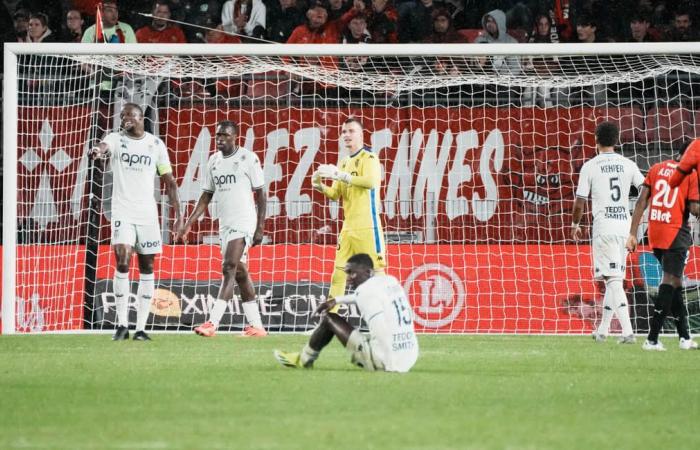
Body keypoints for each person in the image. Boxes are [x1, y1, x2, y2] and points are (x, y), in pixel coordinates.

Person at [90, 103, 183, 341]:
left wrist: (179, 215)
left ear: (141, 118)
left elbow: (169, 181)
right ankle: (121, 324)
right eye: (122, 117)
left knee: (147, 267)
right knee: (122, 259)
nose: (125, 120)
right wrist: (97, 152)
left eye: (129, 116)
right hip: (123, 211)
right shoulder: (115, 138)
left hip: (147, 214)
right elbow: (103, 147)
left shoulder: (155, 144)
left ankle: (141, 328)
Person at [176, 121, 268, 338]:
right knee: (240, 273)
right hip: (225, 224)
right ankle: (257, 326)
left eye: (225, 135)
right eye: (218, 135)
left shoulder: (248, 158)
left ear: (235, 137)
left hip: (244, 221)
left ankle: (212, 322)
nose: (220, 139)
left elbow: (261, 193)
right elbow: (206, 195)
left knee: (228, 267)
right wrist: (188, 223)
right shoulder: (213, 161)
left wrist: (260, 227)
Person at [274, 253, 418, 372]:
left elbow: (380, 328)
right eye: (347, 273)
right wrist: (336, 300)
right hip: (410, 354)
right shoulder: (389, 281)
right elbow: (361, 297)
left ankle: (303, 360)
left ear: (368, 272)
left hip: (388, 360)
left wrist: (391, 366)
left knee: (329, 319)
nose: (348, 279)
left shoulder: (365, 292)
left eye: (352, 273)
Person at [571, 121, 644, 344]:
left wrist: (575, 224)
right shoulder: (628, 164)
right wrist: (636, 224)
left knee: (613, 280)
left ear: (595, 139)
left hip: (604, 228)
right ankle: (602, 330)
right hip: (624, 227)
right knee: (614, 279)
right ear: (617, 140)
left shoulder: (590, 166)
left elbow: (580, 201)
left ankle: (628, 332)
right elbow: (645, 190)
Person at [627, 141, 699, 351]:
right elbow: (695, 208)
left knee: (675, 282)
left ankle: (685, 337)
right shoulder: (691, 175)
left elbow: (641, 201)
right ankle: (651, 339)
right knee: (670, 281)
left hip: (655, 234)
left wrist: (632, 233)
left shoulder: (656, 168)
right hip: (676, 233)